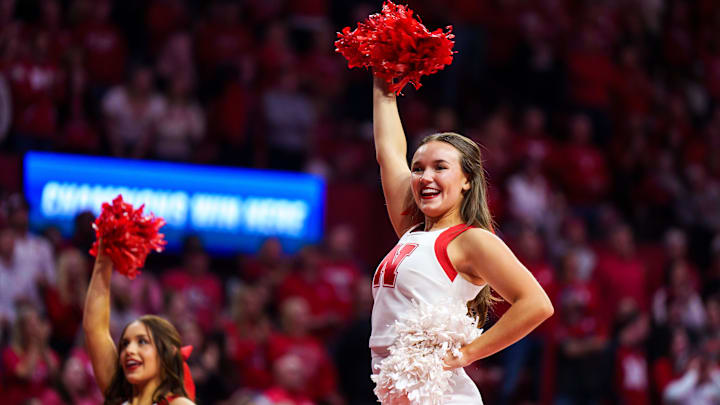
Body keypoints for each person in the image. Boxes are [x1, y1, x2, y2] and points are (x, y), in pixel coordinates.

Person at [370, 77, 554, 404]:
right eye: (418, 168)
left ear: (467, 180)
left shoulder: (470, 240)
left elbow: (536, 303)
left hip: (442, 396)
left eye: (440, 167)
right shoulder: (412, 232)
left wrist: (466, 355)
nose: (426, 177)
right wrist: (383, 81)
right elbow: (389, 154)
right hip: (401, 393)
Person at [83, 242, 195, 405]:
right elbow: (95, 329)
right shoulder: (119, 397)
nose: (129, 350)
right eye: (125, 344)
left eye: (142, 341)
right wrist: (105, 251)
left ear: (168, 353)